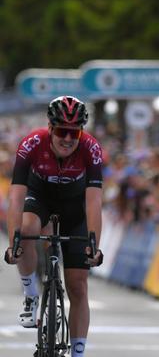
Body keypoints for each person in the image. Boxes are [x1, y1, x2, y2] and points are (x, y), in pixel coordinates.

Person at [3, 96, 104, 357]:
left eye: (74, 132)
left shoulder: (91, 149)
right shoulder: (31, 144)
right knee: (26, 231)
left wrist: (94, 245)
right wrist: (14, 241)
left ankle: (78, 352)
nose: (68, 138)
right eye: (62, 131)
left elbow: (94, 203)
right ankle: (30, 293)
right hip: (40, 198)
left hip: (75, 207)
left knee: (78, 285)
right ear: (50, 127)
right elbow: (15, 196)